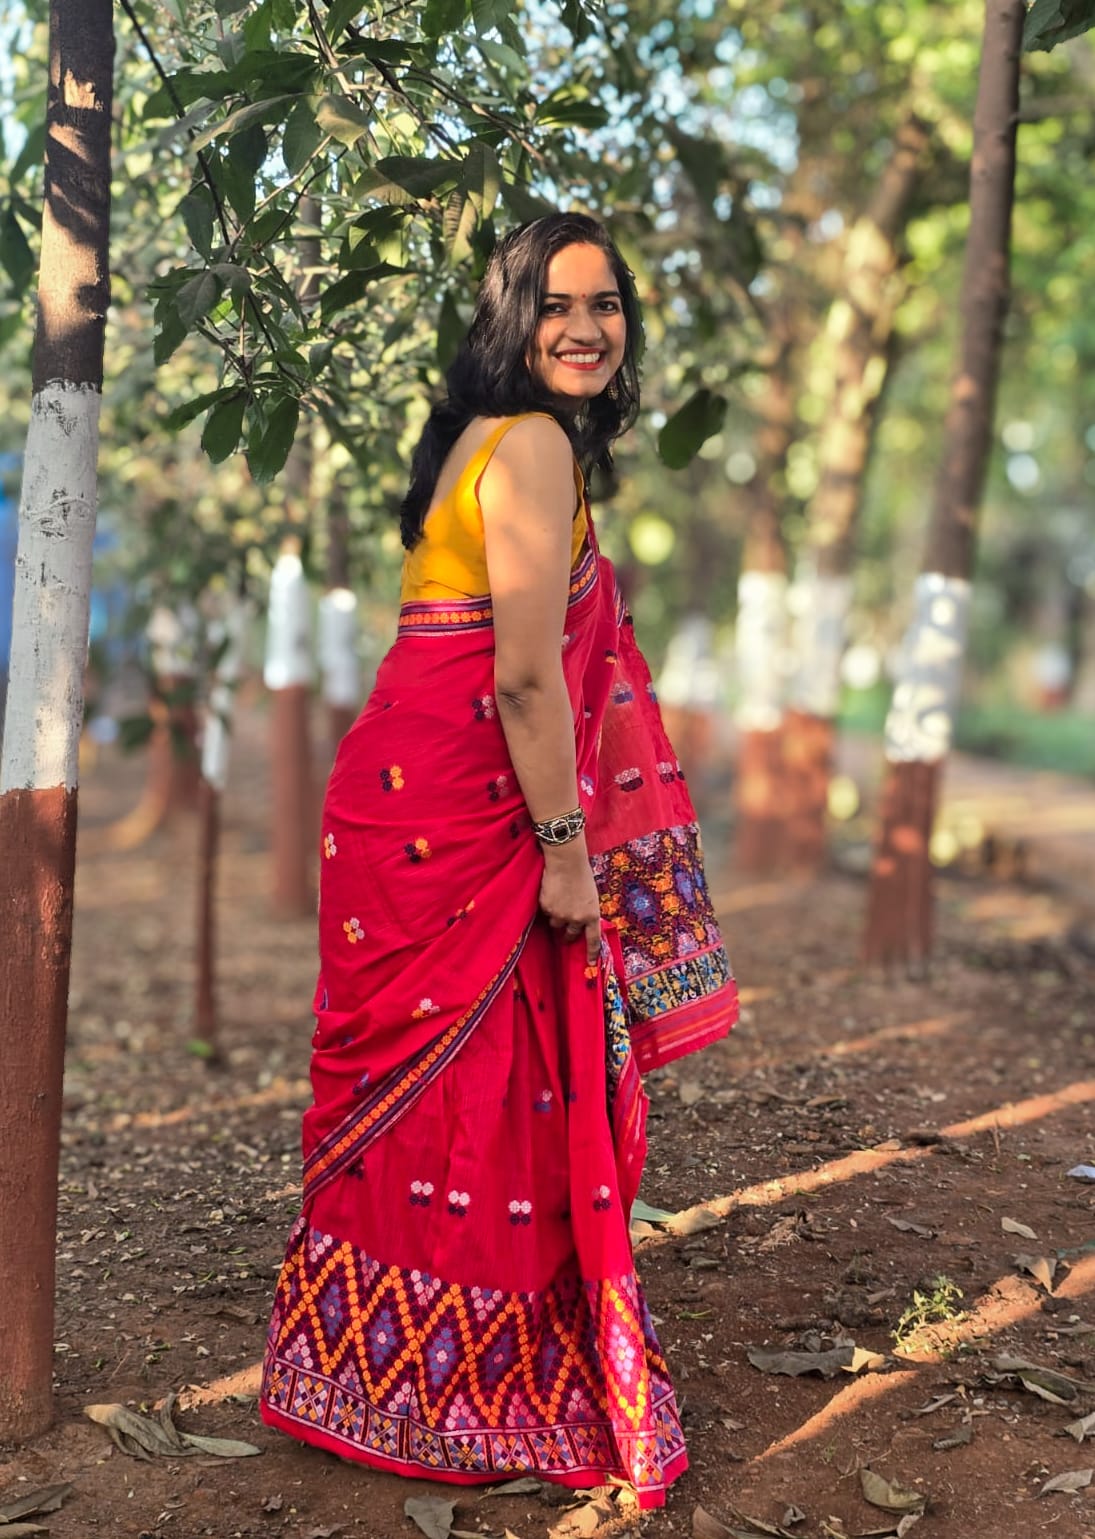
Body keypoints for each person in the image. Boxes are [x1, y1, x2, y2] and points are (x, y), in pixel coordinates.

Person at [259, 211, 739, 1509]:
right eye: (556, 304)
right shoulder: (528, 448)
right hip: (471, 816)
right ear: (511, 319)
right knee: (485, 1092)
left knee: (447, 1095)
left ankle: (367, 1376)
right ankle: (465, 1395)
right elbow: (528, 679)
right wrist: (570, 855)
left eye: (607, 304)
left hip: (407, 796)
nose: (585, 328)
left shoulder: (475, 438)